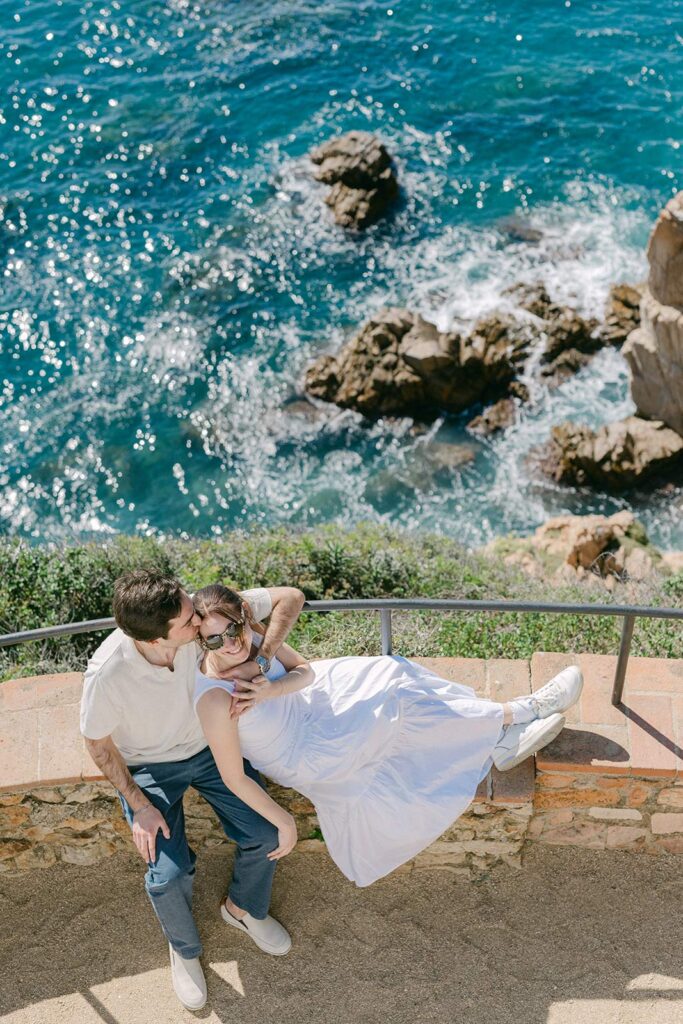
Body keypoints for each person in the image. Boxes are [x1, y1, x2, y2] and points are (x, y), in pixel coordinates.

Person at [193, 584, 584, 893]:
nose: (229, 643)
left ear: (244, 614)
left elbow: (306, 672)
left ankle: (497, 734)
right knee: (395, 705)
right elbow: (234, 778)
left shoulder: (251, 637)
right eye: (215, 640)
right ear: (201, 643)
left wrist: (267, 683)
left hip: (309, 702)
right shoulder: (214, 697)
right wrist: (284, 821)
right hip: (302, 752)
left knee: (391, 675)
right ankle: (520, 711)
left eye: (233, 629)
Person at [80, 569, 305, 1012]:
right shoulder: (107, 674)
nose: (199, 623)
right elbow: (98, 744)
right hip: (149, 767)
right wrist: (139, 806)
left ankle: (242, 908)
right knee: (167, 874)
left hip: (209, 748)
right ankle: (184, 950)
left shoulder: (198, 618)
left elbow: (290, 597)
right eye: (188, 621)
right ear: (156, 637)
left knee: (264, 833)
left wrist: (264, 662)